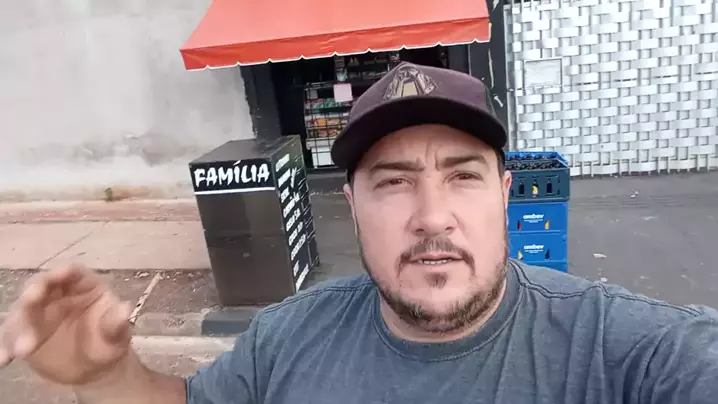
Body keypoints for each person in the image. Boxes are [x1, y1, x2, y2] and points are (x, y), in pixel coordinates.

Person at [1, 62, 717, 404]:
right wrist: (108, 377)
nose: (431, 216)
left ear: (504, 197)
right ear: (351, 205)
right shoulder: (286, 339)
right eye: (394, 182)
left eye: (462, 176)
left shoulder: (627, 353)